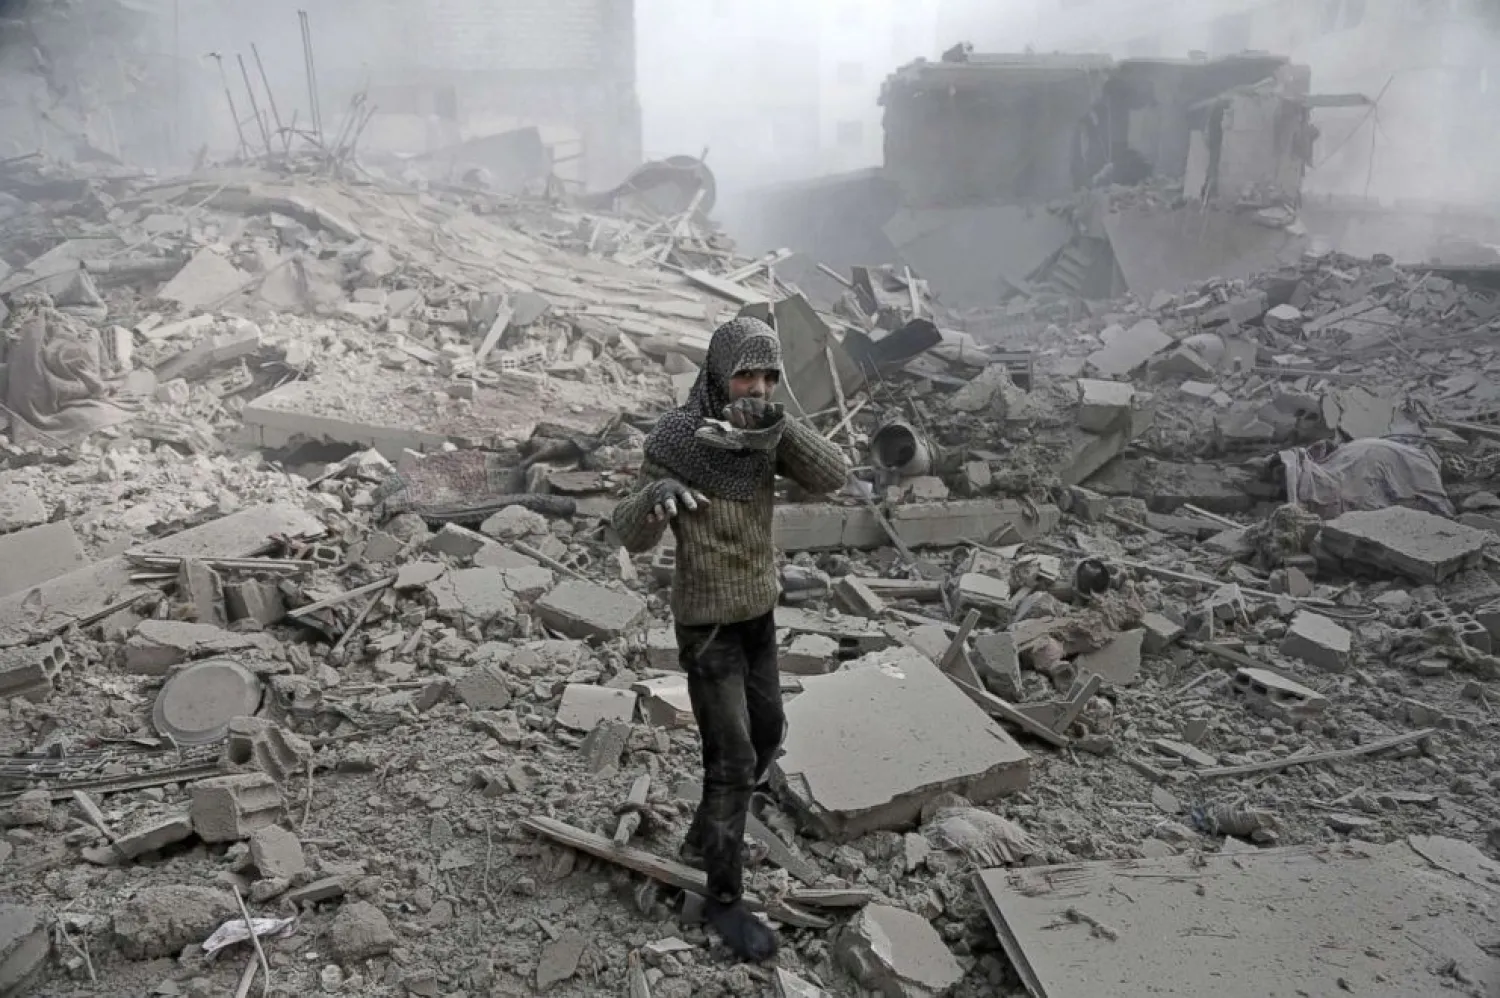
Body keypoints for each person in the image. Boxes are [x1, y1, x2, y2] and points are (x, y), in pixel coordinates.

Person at [612, 316, 850, 961]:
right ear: (718, 374)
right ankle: (724, 903)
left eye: (770, 375)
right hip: (707, 624)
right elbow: (628, 532)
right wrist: (656, 495)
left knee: (769, 732)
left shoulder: (764, 432)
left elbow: (833, 476)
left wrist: (777, 428)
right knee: (734, 761)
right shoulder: (678, 436)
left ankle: (700, 838)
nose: (757, 387)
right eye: (746, 373)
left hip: (758, 613)